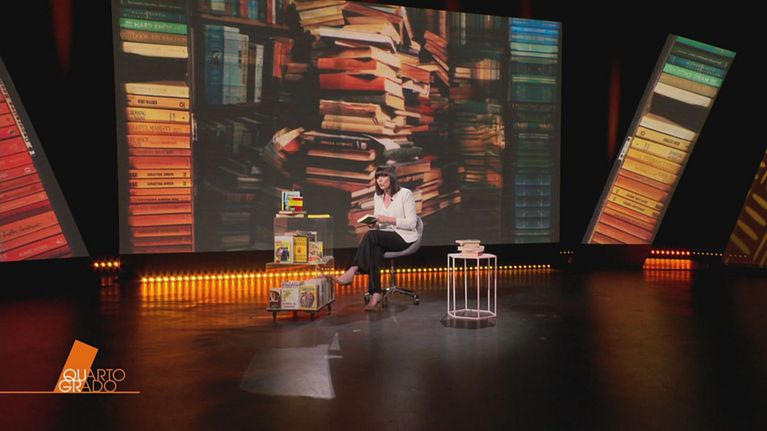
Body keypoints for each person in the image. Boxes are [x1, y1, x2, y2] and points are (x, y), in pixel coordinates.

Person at [329, 164, 418, 311]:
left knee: (371, 236)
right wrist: (374, 224)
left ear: (392, 177)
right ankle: (375, 294)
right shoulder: (378, 196)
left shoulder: (405, 194)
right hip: (383, 236)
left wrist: (387, 219)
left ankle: (352, 270)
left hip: (404, 237)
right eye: (377, 177)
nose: (379, 180)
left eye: (383, 176)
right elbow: (379, 222)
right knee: (374, 249)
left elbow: (411, 223)